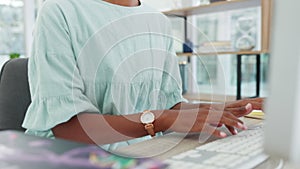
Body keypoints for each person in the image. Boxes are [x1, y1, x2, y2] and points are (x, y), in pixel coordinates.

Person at [22, 0, 263, 150]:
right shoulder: (60, 10)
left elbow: (170, 105)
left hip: (142, 151)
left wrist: (227, 109)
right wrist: (160, 119)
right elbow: (67, 129)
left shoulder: (159, 21)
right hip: (72, 156)